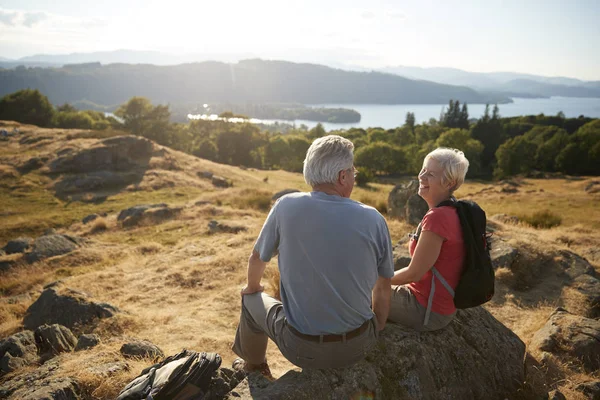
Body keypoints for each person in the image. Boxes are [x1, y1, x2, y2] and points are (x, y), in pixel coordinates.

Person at [231, 135, 394, 378]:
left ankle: (255, 368)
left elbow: (257, 258)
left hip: (301, 350)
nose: (354, 176)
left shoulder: (286, 206)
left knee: (251, 299)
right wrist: (377, 327)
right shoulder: (374, 218)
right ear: (342, 176)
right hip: (360, 346)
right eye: (353, 171)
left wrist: (252, 287)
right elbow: (383, 287)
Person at [388, 148, 469, 331]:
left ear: (450, 182)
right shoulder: (454, 210)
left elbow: (413, 274)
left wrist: (375, 281)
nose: (421, 176)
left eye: (430, 174)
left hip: (426, 309)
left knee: (353, 293)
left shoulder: (437, 218)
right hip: (433, 302)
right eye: (423, 170)